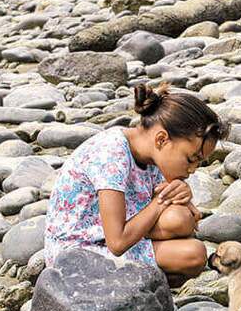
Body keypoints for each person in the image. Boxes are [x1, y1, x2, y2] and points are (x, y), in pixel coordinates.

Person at [45, 83, 229, 281]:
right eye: (191, 159)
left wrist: (180, 194)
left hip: (110, 237)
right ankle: (144, 285)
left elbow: (179, 216)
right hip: (77, 254)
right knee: (193, 254)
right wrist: (161, 202)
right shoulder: (111, 153)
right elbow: (117, 243)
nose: (192, 170)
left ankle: (148, 283)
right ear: (161, 140)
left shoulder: (150, 154)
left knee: (180, 219)